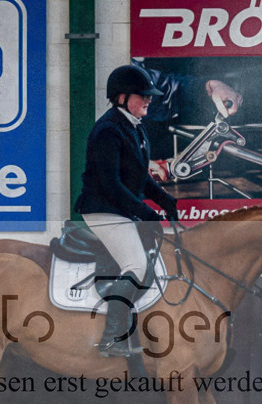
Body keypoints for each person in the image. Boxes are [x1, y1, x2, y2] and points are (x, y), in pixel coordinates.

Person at [75, 64, 179, 357]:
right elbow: (112, 185)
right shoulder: (108, 130)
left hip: (119, 209)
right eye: (142, 95)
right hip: (103, 209)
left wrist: (165, 200)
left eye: (149, 95)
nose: (148, 100)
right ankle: (112, 338)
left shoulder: (135, 126)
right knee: (137, 266)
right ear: (121, 97)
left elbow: (140, 177)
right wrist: (147, 213)